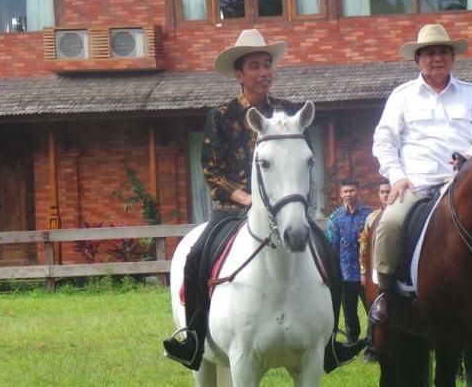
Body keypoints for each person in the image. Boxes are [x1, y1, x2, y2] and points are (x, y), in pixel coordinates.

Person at [163, 29, 364, 371]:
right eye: (255, 66)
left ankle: (330, 341)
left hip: (285, 209)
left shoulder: (288, 113)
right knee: (195, 255)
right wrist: (248, 199)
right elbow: (212, 172)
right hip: (233, 210)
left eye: (267, 65)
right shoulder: (221, 115)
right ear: (239, 75)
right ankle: (194, 336)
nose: (264, 72)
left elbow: (303, 158)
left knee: (327, 252)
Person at [370, 23, 472, 322]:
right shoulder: (401, 96)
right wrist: (396, 176)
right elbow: (384, 140)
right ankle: (386, 294)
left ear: (453, 58)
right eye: (429, 53)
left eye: (443, 52)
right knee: (389, 225)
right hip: (415, 185)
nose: (437, 58)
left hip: (464, 184)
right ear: (418, 60)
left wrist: (469, 156)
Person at [328, 178, 373, 344]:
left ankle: (374, 341)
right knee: (349, 311)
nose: (348, 194)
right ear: (341, 194)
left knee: (372, 308)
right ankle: (352, 341)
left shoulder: (370, 214)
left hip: (365, 273)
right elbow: (332, 247)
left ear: (358, 192)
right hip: (344, 273)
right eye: (345, 191)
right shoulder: (335, 218)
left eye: (352, 190)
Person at [358, 179, 390, 362]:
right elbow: (363, 247)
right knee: (374, 309)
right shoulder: (372, 218)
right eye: (383, 192)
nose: (386, 195)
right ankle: (372, 347)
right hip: (375, 272)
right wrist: (364, 272)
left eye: (388, 191)